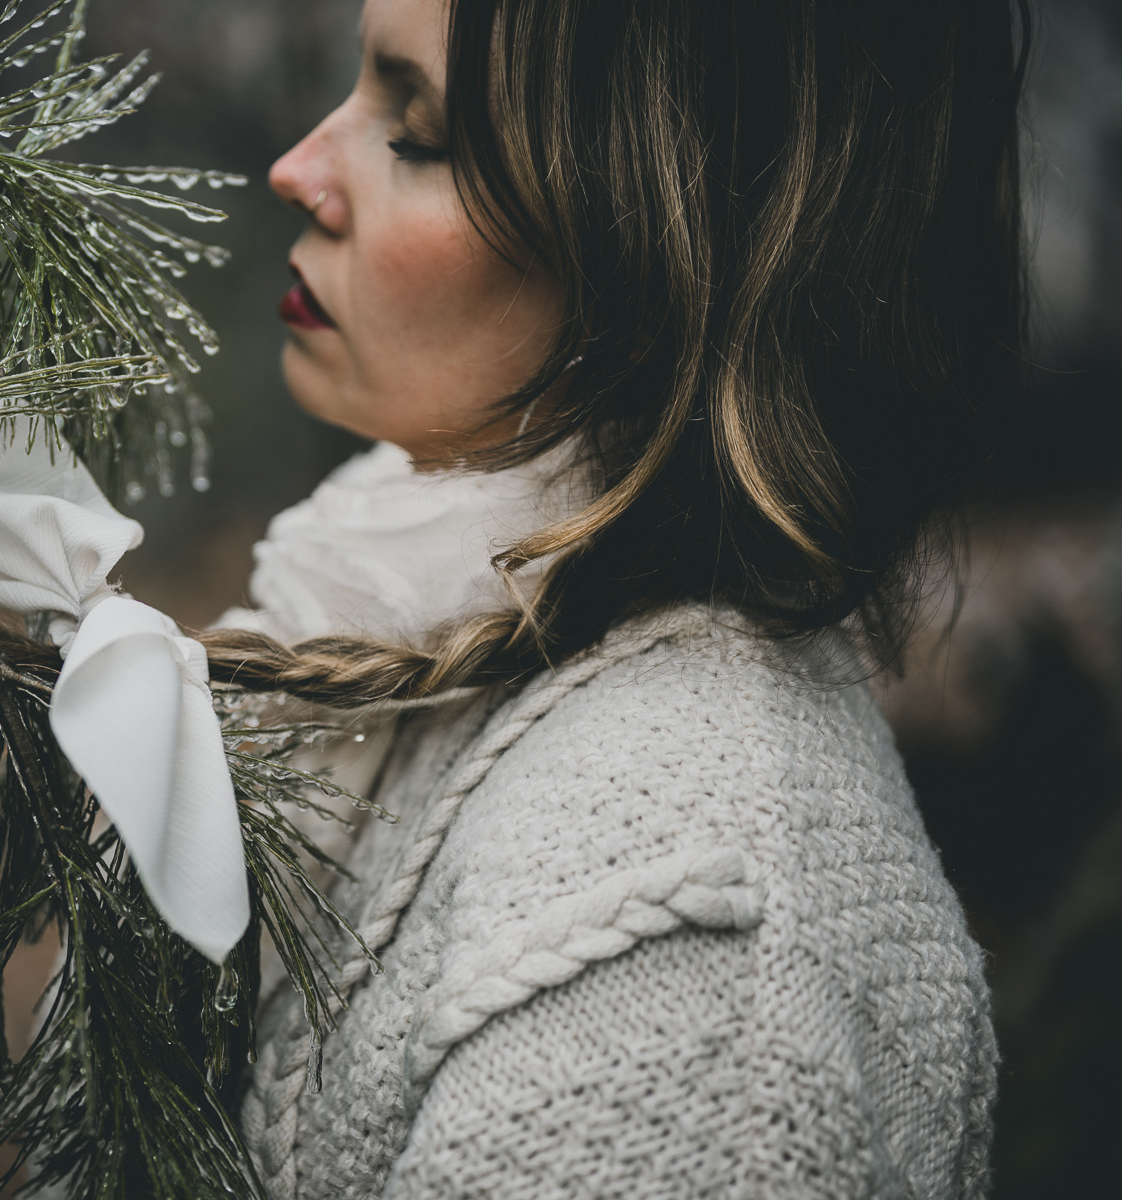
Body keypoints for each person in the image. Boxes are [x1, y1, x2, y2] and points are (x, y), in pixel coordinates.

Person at [196, 0, 1029, 1196]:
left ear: (661, 258)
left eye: (420, 133)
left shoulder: (684, 964)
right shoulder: (410, 605)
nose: (299, 169)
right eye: (357, 91)